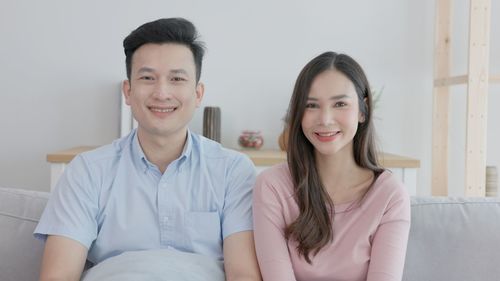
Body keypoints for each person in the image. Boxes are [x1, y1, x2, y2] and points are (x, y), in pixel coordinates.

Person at [35, 18, 261, 281]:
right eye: (147, 78)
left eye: (177, 78)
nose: (162, 92)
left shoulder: (233, 170)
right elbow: (58, 276)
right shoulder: (87, 171)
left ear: (198, 94)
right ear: (128, 91)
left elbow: (244, 274)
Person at [253, 51, 410, 281]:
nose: (325, 119)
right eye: (311, 105)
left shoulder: (389, 195)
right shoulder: (272, 186)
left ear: (362, 111)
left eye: (340, 104)